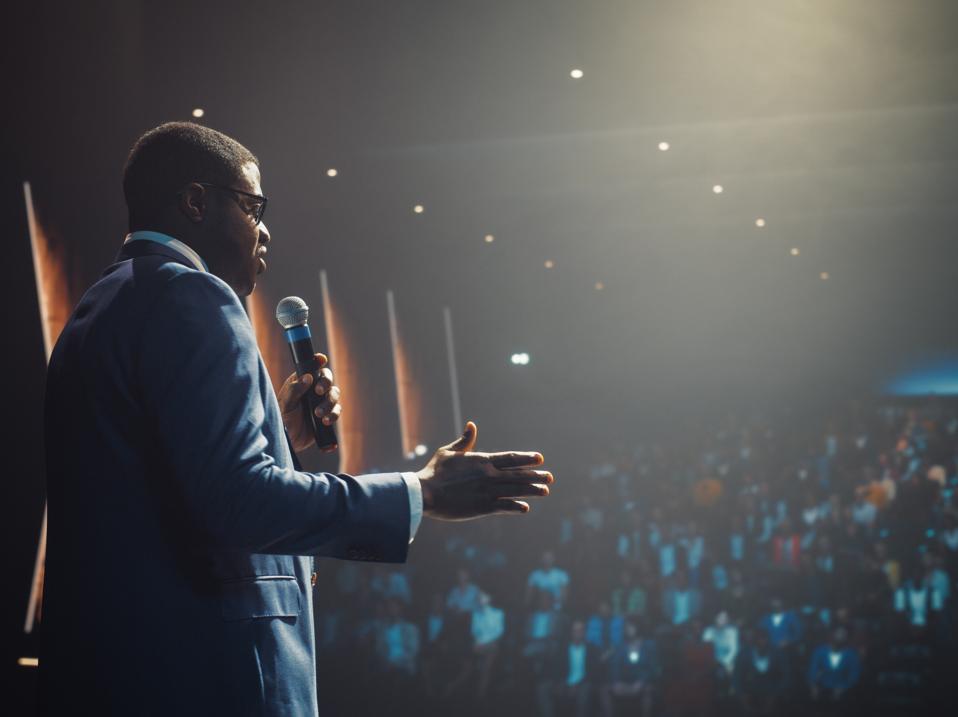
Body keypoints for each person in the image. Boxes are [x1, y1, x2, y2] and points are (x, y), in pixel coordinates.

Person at [38, 121, 554, 716]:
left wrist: (278, 435)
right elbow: (241, 503)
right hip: (208, 679)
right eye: (253, 206)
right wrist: (422, 492)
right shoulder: (195, 297)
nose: (265, 230)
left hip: (125, 672)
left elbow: (166, 491)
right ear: (196, 202)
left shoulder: (101, 305)